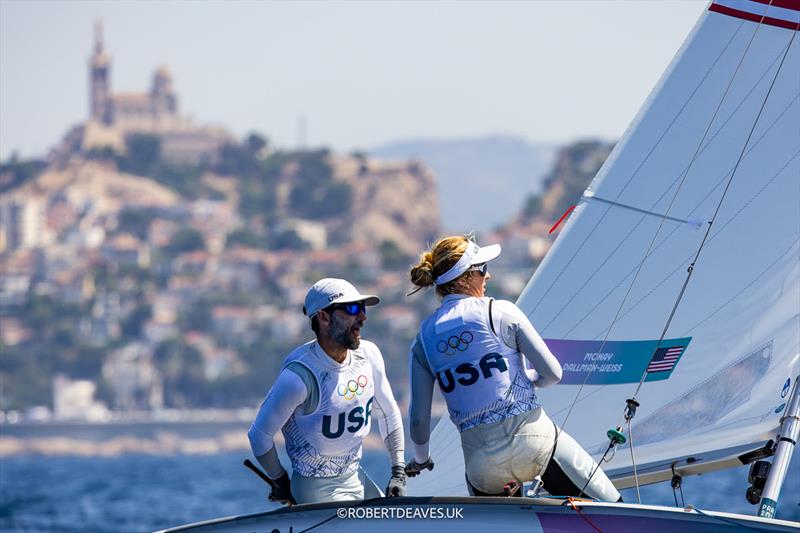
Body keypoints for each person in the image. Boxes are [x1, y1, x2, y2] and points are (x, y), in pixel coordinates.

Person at [405, 235, 620, 501]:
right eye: (482, 269)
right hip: (535, 443)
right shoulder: (501, 310)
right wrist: (529, 378)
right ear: (463, 279)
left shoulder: (423, 339)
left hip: (482, 467)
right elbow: (553, 373)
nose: (488, 276)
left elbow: (417, 418)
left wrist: (421, 458)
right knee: (615, 508)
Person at [248, 278, 406, 505]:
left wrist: (398, 472)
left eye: (362, 308)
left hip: (356, 478)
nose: (362, 317)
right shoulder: (299, 377)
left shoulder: (369, 355)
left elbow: (389, 413)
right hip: (315, 490)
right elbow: (259, 436)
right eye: (352, 309)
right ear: (323, 317)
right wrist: (281, 481)